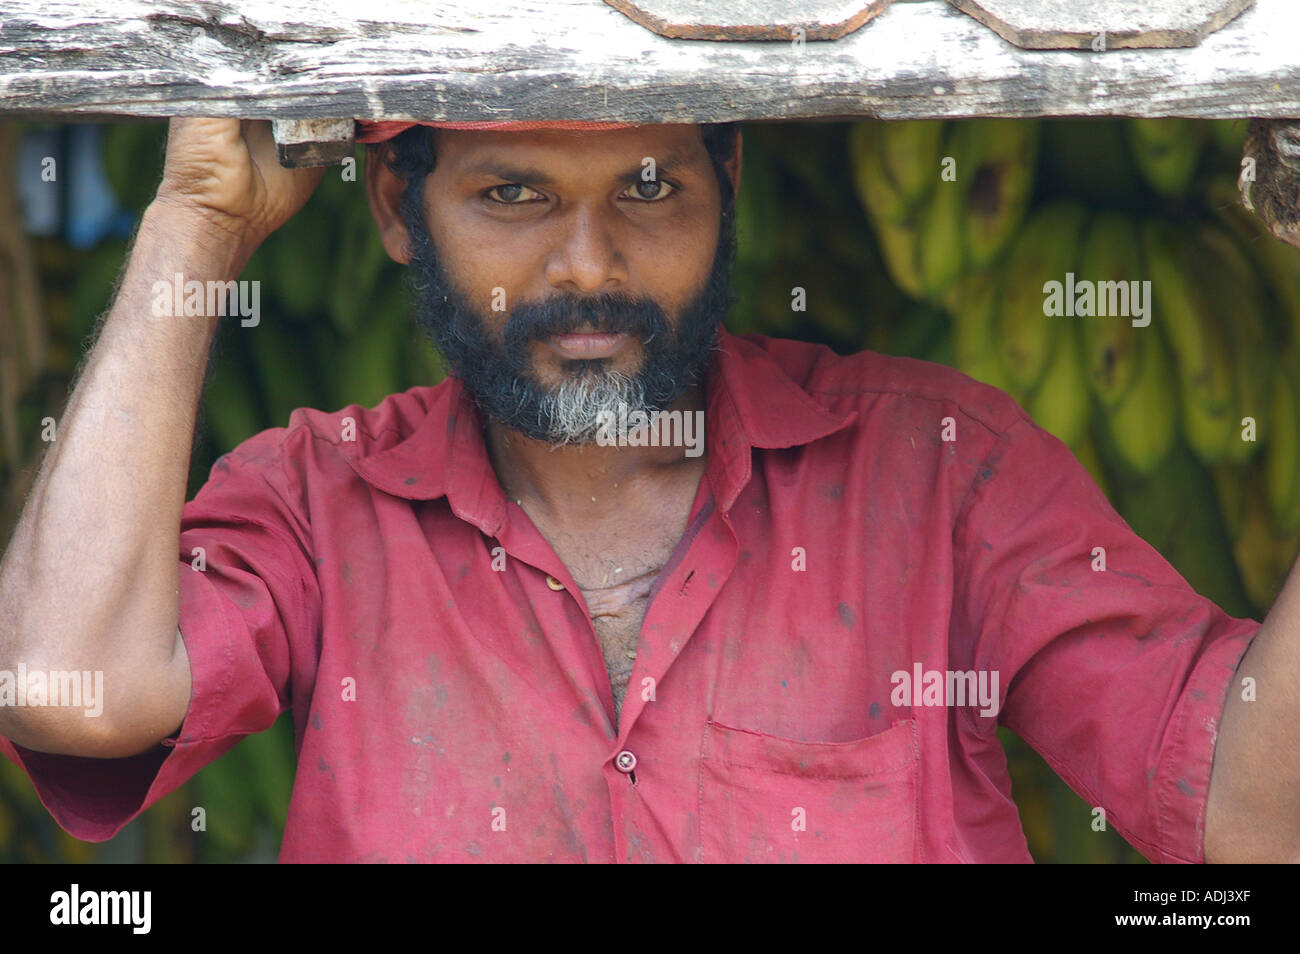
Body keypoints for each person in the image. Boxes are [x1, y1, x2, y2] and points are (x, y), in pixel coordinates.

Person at [0, 116, 1293, 863]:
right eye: (512, 195)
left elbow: (1249, 808)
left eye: (650, 187)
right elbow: (73, 693)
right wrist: (198, 220)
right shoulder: (316, 506)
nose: (589, 263)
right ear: (398, 204)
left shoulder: (938, 471)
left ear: (729, 180)